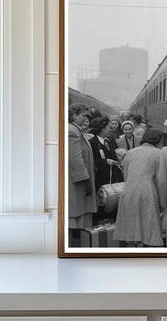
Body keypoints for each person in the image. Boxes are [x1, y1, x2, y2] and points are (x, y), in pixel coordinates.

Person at [114, 128, 164, 247]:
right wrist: (162, 202)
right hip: (148, 192)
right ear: (157, 140)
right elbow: (160, 180)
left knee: (131, 229)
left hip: (129, 191)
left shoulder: (130, 152)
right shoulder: (159, 153)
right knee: (149, 229)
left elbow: (125, 175)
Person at [67, 104, 97, 246]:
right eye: (83, 115)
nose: (86, 119)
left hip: (76, 181)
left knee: (76, 217)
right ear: (74, 116)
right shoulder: (72, 132)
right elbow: (75, 159)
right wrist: (86, 181)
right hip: (77, 183)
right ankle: (72, 246)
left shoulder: (75, 130)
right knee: (73, 217)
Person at [89, 116, 123, 223]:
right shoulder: (93, 143)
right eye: (108, 126)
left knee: (112, 202)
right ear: (102, 128)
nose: (111, 129)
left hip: (112, 179)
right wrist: (105, 161)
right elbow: (91, 161)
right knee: (103, 202)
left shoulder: (108, 141)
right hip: (101, 180)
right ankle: (101, 226)